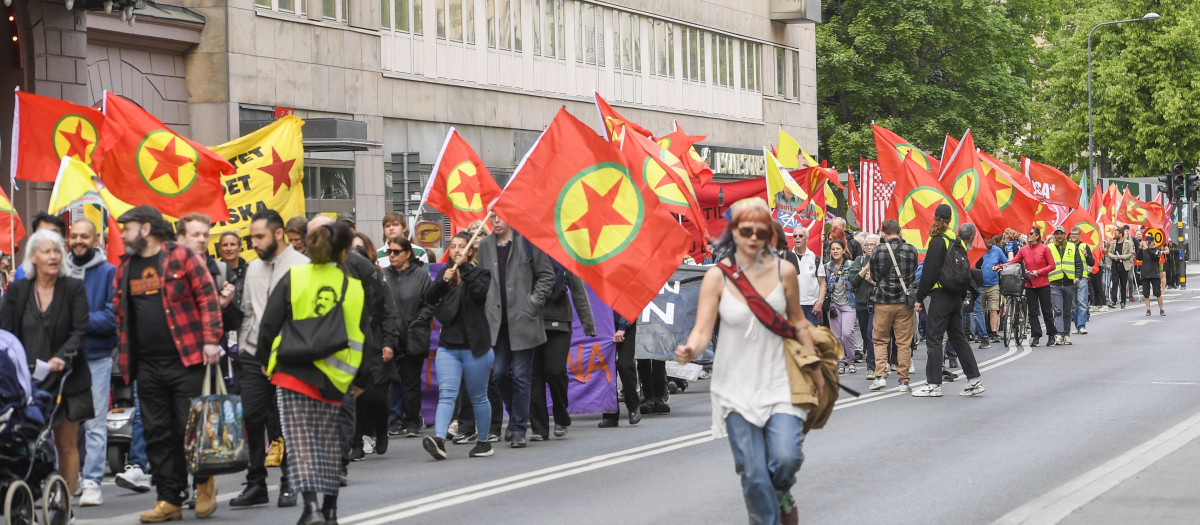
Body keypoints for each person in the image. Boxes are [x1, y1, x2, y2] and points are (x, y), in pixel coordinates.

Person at [675, 197, 822, 525]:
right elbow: (702, 331)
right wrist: (690, 350)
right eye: (746, 230)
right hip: (735, 389)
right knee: (754, 475)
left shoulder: (785, 271)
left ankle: (782, 489)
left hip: (780, 382)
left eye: (761, 230)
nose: (753, 237)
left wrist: (813, 365)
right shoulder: (717, 276)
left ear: (770, 233)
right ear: (734, 232)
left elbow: (798, 322)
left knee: (785, 459)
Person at [112, 205, 223, 522]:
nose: (122, 233)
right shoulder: (126, 266)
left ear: (146, 229)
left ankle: (204, 485)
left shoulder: (182, 256)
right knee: (157, 433)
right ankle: (168, 499)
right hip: (145, 365)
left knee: (188, 429)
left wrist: (212, 339)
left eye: (127, 227)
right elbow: (121, 314)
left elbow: (207, 297)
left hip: (186, 360)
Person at [255, 221, 365, 525]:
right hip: (336, 377)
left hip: (293, 371)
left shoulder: (294, 276)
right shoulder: (352, 286)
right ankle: (330, 509)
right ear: (343, 252)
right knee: (329, 443)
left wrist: (264, 358)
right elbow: (361, 333)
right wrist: (362, 379)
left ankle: (310, 507)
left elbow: (269, 323)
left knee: (301, 442)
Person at [307, 215, 398, 486]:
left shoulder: (367, 272)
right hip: (326, 349)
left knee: (371, 395)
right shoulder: (308, 269)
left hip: (366, 343)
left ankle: (380, 429)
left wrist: (387, 341)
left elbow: (384, 311)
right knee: (349, 400)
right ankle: (352, 446)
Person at [0, 229, 91, 504]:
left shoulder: (73, 288)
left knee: (66, 443)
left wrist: (62, 357)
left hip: (68, 377)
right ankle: (23, 495)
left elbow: (80, 330)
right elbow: (5, 332)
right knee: (23, 442)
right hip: (27, 379)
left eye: (56, 251)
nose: (53, 256)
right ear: (33, 257)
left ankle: (63, 504)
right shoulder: (18, 290)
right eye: (46, 251)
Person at [231, 210, 308, 508]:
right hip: (253, 354)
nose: (254, 243)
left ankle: (290, 481)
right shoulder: (252, 268)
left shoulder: (303, 266)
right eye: (252, 238)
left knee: (286, 421)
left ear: (278, 234)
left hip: (288, 355)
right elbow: (248, 311)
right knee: (251, 416)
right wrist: (243, 346)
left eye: (259, 237)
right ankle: (255, 484)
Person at [477, 215, 555, 448]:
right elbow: (482, 280)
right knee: (499, 373)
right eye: (492, 217)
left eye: (500, 216)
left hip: (523, 320)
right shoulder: (485, 245)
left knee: (521, 375)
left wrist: (532, 303)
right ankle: (515, 415)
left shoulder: (527, 241)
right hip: (496, 322)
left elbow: (547, 276)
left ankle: (519, 428)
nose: (496, 221)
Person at [421, 232, 494, 460]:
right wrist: (444, 282)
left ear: (471, 250)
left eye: (462, 247)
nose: (457, 251)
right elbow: (429, 299)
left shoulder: (481, 273)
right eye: (453, 246)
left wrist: (465, 270)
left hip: (475, 346)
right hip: (448, 345)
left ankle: (483, 442)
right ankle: (440, 439)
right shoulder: (445, 273)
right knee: (446, 394)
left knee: (478, 396)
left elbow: (480, 293)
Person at [63, 220, 117, 507]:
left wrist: (77, 322)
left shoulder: (108, 272)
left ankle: (93, 481)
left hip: (96, 356)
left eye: (85, 236)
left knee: (95, 422)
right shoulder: (59, 269)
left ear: (95, 239)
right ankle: (73, 477)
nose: (79, 240)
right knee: (67, 422)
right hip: (65, 357)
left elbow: (112, 318)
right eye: (74, 236)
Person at [911, 208, 984, 398]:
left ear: (934, 218)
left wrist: (920, 297)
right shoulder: (956, 240)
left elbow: (929, 272)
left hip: (941, 295)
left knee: (934, 338)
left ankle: (933, 384)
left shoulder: (937, 241)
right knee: (959, 338)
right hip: (955, 296)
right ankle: (974, 380)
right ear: (951, 220)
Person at [530, 265, 595, 441]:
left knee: (555, 370)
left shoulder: (564, 259)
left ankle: (561, 416)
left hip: (559, 323)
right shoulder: (526, 257)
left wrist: (588, 324)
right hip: (531, 322)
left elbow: (578, 292)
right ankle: (539, 428)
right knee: (534, 376)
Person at [383, 236, 432, 438]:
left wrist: (418, 321)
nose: (392, 256)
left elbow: (430, 303)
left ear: (408, 254)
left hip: (413, 334)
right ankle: (395, 419)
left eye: (396, 252)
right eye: (389, 252)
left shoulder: (421, 276)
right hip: (390, 335)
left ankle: (412, 420)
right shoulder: (384, 275)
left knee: (411, 380)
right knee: (391, 380)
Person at [868, 219, 917, 392]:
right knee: (903, 342)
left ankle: (880, 376)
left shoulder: (877, 250)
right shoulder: (911, 249)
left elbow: (873, 275)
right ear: (900, 232)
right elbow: (913, 273)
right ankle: (903, 381)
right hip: (904, 302)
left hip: (882, 302)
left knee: (880, 340)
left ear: (883, 232)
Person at [1000, 226, 1057, 347]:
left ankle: (1051, 335)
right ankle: (1036, 336)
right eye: (1028, 234)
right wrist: (1000, 266)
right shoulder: (1024, 249)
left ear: (1037, 236)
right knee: (1032, 312)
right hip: (1030, 284)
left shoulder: (1044, 249)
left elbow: (1052, 265)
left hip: (1043, 285)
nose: (1028, 236)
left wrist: (1039, 271)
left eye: (1031, 234)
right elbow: (1013, 261)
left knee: (1047, 311)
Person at [598, 313, 641, 428]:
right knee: (606, 369)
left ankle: (633, 406)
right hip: (603, 326)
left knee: (625, 365)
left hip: (624, 323)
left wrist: (623, 327)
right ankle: (610, 414)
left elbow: (630, 303)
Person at [823, 240, 856, 374]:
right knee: (836, 336)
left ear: (843, 250)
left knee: (847, 333)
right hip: (833, 305)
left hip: (848, 304)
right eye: (833, 249)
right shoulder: (826, 267)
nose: (835, 251)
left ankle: (851, 359)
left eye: (838, 249)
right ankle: (840, 361)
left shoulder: (851, 265)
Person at [848, 233, 878, 379]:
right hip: (861, 303)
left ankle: (871, 367)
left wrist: (873, 282)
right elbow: (852, 281)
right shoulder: (859, 260)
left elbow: (886, 281)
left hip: (877, 303)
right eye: (867, 245)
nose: (870, 248)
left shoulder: (882, 260)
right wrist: (865, 268)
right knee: (866, 336)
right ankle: (875, 359)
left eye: (873, 245)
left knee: (870, 333)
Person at [1047, 226, 1082, 346]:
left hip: (1068, 283)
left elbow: (1078, 264)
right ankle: (1060, 334)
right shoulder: (1049, 247)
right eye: (1057, 234)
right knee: (1057, 310)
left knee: (1067, 311)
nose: (1059, 236)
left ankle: (1066, 334)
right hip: (1055, 283)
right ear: (1054, 235)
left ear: (1065, 234)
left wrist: (1078, 276)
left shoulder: (1072, 247)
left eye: (1061, 234)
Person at [11, 212, 68, 282]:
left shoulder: (74, 270)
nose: (48, 239)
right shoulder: (22, 272)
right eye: (42, 234)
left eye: (53, 234)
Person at [784, 229, 825, 325]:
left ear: (807, 239)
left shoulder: (816, 259)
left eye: (800, 236)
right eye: (795, 236)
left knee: (812, 337)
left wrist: (820, 302)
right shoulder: (787, 258)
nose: (797, 238)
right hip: (792, 305)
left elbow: (822, 283)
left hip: (811, 307)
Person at [979, 235, 1009, 348]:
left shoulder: (997, 250)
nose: (990, 239)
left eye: (991, 237)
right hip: (979, 285)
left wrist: (999, 266)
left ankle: (994, 333)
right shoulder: (978, 249)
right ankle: (981, 333)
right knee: (980, 311)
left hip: (993, 285)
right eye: (987, 238)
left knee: (993, 309)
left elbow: (1006, 263)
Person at [1069, 227, 1094, 334]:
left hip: (1082, 278)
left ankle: (1081, 325)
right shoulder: (1067, 246)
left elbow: (1092, 262)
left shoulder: (1084, 246)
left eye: (1076, 234)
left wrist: (1087, 255)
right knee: (1074, 305)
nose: (1074, 236)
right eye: (1072, 234)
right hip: (1070, 277)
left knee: (1082, 302)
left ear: (1080, 235)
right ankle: (1076, 325)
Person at [1136, 235, 1165, 316]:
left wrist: (1147, 248)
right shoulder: (1145, 251)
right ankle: (1148, 309)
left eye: (1149, 242)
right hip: (1145, 274)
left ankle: (1161, 309)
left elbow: (1154, 256)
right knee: (1146, 293)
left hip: (1154, 274)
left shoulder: (1157, 250)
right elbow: (1139, 257)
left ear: (1153, 242)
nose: (1148, 244)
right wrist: (1140, 248)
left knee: (1157, 293)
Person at [1107, 227, 1134, 309]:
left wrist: (1122, 257)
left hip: (1124, 266)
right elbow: (1109, 252)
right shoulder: (1113, 243)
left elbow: (1131, 253)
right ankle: (1114, 300)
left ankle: (1123, 301)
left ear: (1121, 234)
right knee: (1114, 283)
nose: (1115, 235)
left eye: (1116, 233)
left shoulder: (1128, 243)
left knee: (1123, 284)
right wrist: (1114, 256)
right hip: (1115, 266)